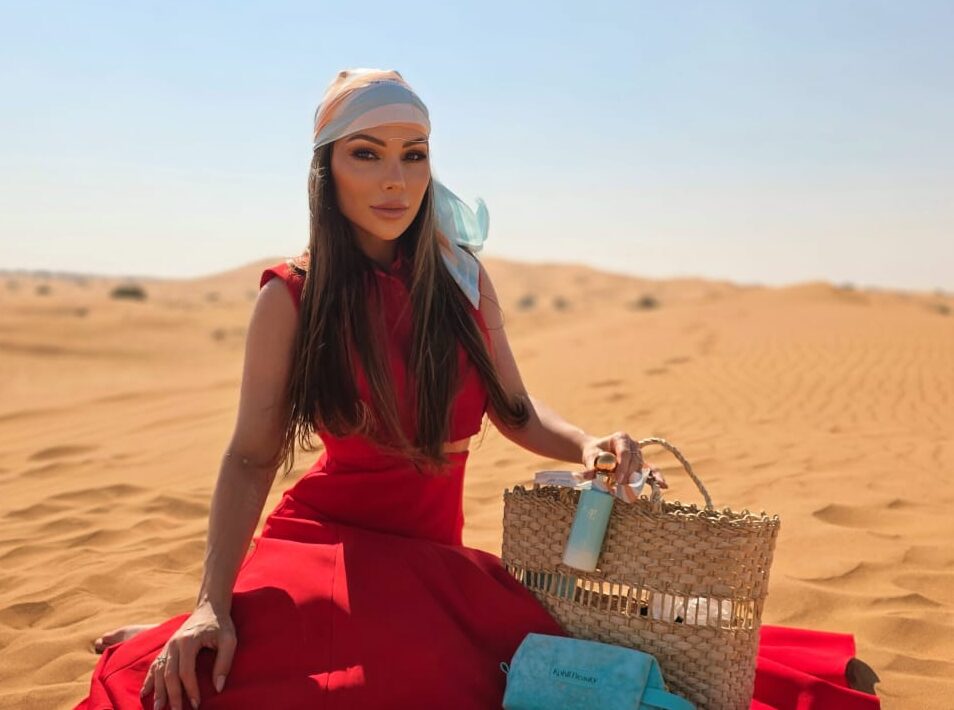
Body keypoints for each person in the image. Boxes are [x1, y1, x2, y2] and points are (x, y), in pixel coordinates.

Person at [74, 68, 880, 709]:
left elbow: (517, 412)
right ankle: (208, 616)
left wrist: (588, 443)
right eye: (367, 154)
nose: (395, 180)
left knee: (515, 677)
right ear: (328, 169)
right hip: (324, 545)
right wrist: (211, 603)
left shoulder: (459, 279)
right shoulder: (291, 296)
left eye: (414, 153)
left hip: (432, 559)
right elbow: (251, 458)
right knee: (209, 684)